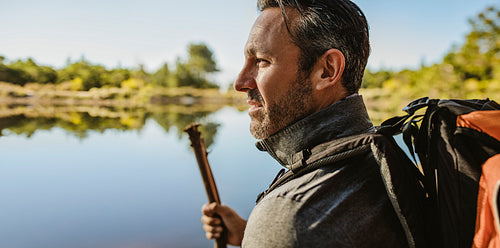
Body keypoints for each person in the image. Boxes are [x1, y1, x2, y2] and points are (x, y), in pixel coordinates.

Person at [201, 0, 424, 247]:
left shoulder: (290, 215)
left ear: (327, 70)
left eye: (262, 61)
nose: (240, 82)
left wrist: (268, 232)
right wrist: (250, 236)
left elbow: (298, 229)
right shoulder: (379, 156)